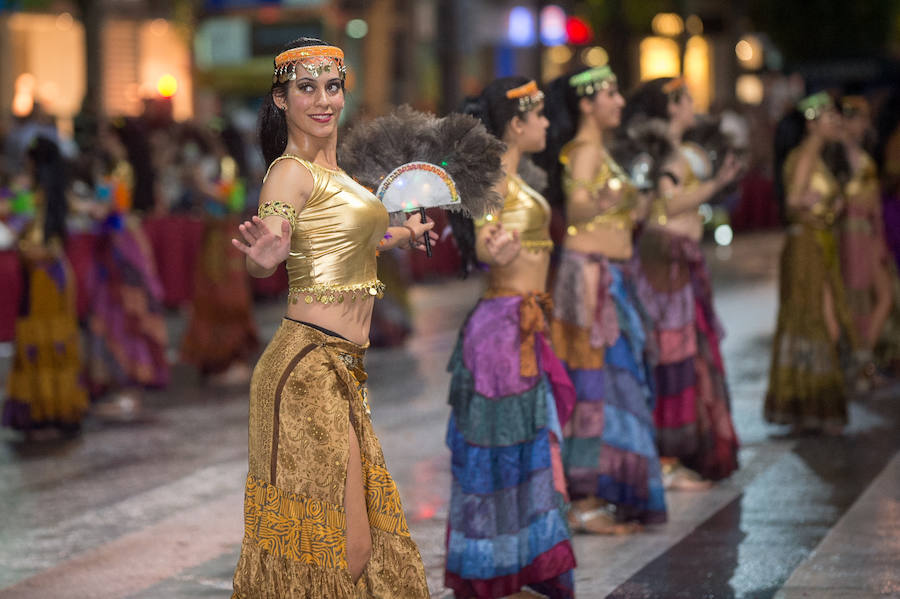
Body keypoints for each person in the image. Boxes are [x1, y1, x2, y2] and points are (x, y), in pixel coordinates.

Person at [229, 38, 433, 598]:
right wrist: (264, 261)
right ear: (280, 99)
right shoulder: (289, 172)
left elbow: (354, 239)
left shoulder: (339, 177)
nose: (323, 100)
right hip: (304, 370)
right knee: (342, 544)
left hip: (343, 369)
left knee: (354, 544)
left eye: (333, 86)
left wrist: (405, 233)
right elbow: (271, 244)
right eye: (306, 88)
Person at [444, 77, 576, 598]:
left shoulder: (517, 176)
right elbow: (483, 239)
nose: (546, 124)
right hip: (502, 334)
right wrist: (490, 250)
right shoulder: (496, 179)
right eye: (539, 116)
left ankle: (517, 566)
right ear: (517, 125)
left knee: (524, 453)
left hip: (519, 327)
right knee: (503, 457)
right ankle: (498, 569)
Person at [539, 66, 666, 533]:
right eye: (610, 94)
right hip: (590, 280)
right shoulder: (586, 151)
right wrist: (617, 194)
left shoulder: (602, 153)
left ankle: (596, 492)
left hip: (608, 274)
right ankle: (585, 498)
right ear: (587, 105)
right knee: (594, 385)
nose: (619, 101)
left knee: (614, 385)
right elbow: (575, 211)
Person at [623, 77, 741, 486]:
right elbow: (664, 204)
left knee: (689, 349)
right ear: (671, 105)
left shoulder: (672, 149)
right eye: (686, 98)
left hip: (677, 258)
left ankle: (677, 454)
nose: (693, 104)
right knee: (672, 351)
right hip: (664, 260)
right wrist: (716, 185)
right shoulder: (659, 151)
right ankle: (667, 458)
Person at [765, 92, 855, 434]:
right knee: (816, 322)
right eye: (831, 119)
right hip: (806, 247)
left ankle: (809, 406)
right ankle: (814, 404)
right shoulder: (804, 156)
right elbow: (791, 201)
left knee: (819, 322)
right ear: (813, 123)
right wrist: (809, 201)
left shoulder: (817, 156)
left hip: (818, 244)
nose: (837, 124)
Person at [2, 137, 88, 438]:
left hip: (44, 276)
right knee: (53, 339)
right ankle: (53, 411)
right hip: (52, 275)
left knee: (43, 339)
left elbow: (40, 245)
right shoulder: (56, 195)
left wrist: (19, 238)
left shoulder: (41, 196)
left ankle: (46, 412)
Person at [84, 122, 169, 419]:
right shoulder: (123, 168)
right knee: (121, 312)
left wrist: (73, 204)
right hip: (121, 244)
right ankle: (124, 387)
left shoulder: (118, 170)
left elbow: (107, 210)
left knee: (125, 313)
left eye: (106, 135)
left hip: (120, 248)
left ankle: (128, 389)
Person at [836, 96, 900, 382]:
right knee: (858, 299)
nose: (864, 123)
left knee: (884, 295)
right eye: (858, 117)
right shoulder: (838, 155)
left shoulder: (862, 152)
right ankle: (861, 365)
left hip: (872, 233)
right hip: (853, 233)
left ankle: (864, 359)